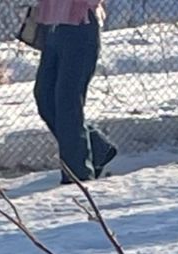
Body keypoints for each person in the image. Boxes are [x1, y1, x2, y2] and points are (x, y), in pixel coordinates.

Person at [33, 0, 117, 183]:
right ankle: (96, 149)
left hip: (81, 27)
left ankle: (78, 175)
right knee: (45, 98)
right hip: (52, 28)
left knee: (67, 103)